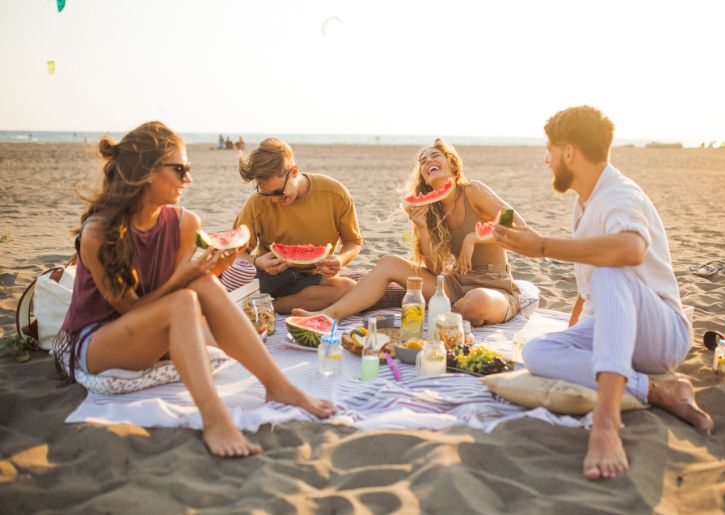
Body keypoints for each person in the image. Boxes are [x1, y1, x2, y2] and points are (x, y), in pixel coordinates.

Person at [53, 122, 334, 458]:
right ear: (146, 172)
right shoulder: (98, 233)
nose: (188, 179)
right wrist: (182, 280)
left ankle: (278, 386)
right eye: (180, 169)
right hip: (97, 341)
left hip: (153, 332)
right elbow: (130, 309)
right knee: (186, 296)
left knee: (200, 285)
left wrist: (211, 271)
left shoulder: (185, 223)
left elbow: (180, 292)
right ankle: (214, 418)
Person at [492, 106, 713, 480]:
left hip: (663, 335)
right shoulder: (585, 204)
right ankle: (661, 392)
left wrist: (542, 246)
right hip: (621, 331)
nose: (546, 159)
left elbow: (630, 251)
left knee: (612, 272)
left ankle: (606, 424)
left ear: (568, 153)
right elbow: (589, 291)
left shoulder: (619, 194)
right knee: (538, 350)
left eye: (550, 149)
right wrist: (571, 333)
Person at [293, 138, 523, 326]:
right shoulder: (430, 209)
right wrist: (422, 226)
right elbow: (435, 269)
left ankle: (454, 313)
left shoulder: (473, 190)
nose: (428, 161)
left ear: (452, 164)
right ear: (423, 175)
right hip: (454, 286)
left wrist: (473, 238)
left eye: (435, 156)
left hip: (494, 286)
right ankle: (328, 316)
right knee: (389, 262)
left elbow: (515, 220)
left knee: (476, 303)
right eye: (423, 161)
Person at [233, 137, 362, 313]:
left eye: (278, 192)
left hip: (311, 278)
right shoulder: (256, 203)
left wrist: (340, 259)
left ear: (294, 171)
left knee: (348, 288)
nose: (274, 199)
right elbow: (235, 253)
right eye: (266, 193)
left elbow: (353, 242)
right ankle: (261, 304)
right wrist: (257, 261)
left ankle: (269, 307)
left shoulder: (335, 194)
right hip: (268, 276)